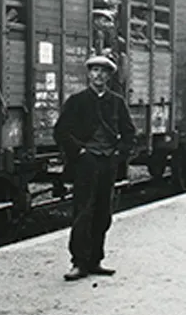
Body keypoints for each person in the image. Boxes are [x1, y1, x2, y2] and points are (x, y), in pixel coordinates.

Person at [53, 55, 136, 281]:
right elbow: (61, 131)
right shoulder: (77, 100)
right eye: (95, 71)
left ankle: (95, 260)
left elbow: (129, 133)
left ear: (109, 76)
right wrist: (79, 152)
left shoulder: (117, 102)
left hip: (107, 162)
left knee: (103, 213)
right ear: (89, 75)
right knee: (83, 212)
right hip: (86, 164)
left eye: (103, 71)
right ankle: (79, 263)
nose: (98, 75)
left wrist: (119, 154)